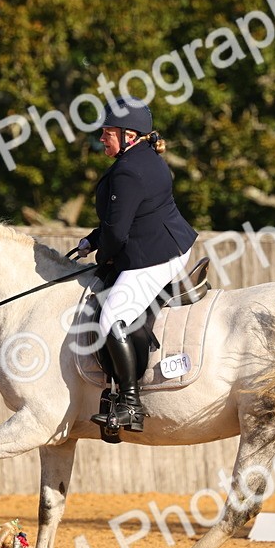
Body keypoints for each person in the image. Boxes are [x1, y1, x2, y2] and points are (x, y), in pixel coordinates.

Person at [77, 96, 198, 432]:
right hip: (165, 240)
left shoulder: (128, 170)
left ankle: (131, 404)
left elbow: (117, 233)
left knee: (111, 319)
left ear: (128, 135)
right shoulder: (143, 157)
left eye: (107, 132)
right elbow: (128, 216)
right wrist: (92, 240)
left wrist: (103, 255)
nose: (101, 138)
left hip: (155, 254)